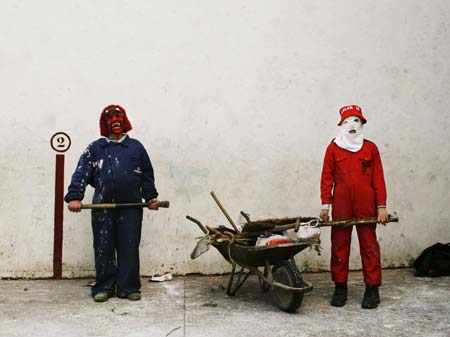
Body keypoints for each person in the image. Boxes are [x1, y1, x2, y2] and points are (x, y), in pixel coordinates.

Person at [64, 104, 160, 302]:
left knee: (129, 246)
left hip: (131, 207)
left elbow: (146, 174)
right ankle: (104, 286)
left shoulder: (136, 147)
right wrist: (75, 196)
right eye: (110, 118)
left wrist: (150, 196)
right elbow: (81, 172)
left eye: (118, 117)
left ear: (125, 121)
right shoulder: (95, 148)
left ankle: (128, 287)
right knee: (103, 246)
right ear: (104, 124)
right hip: (103, 206)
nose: (115, 121)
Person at [319, 105, 388, 309]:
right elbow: (326, 178)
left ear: (362, 124)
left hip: (366, 204)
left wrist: (381, 206)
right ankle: (340, 288)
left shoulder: (370, 149)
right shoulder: (333, 149)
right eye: (347, 121)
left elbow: (379, 179)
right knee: (340, 245)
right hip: (341, 204)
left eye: (356, 121)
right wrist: (325, 206)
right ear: (341, 125)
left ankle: (372, 289)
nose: (352, 125)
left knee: (369, 245)